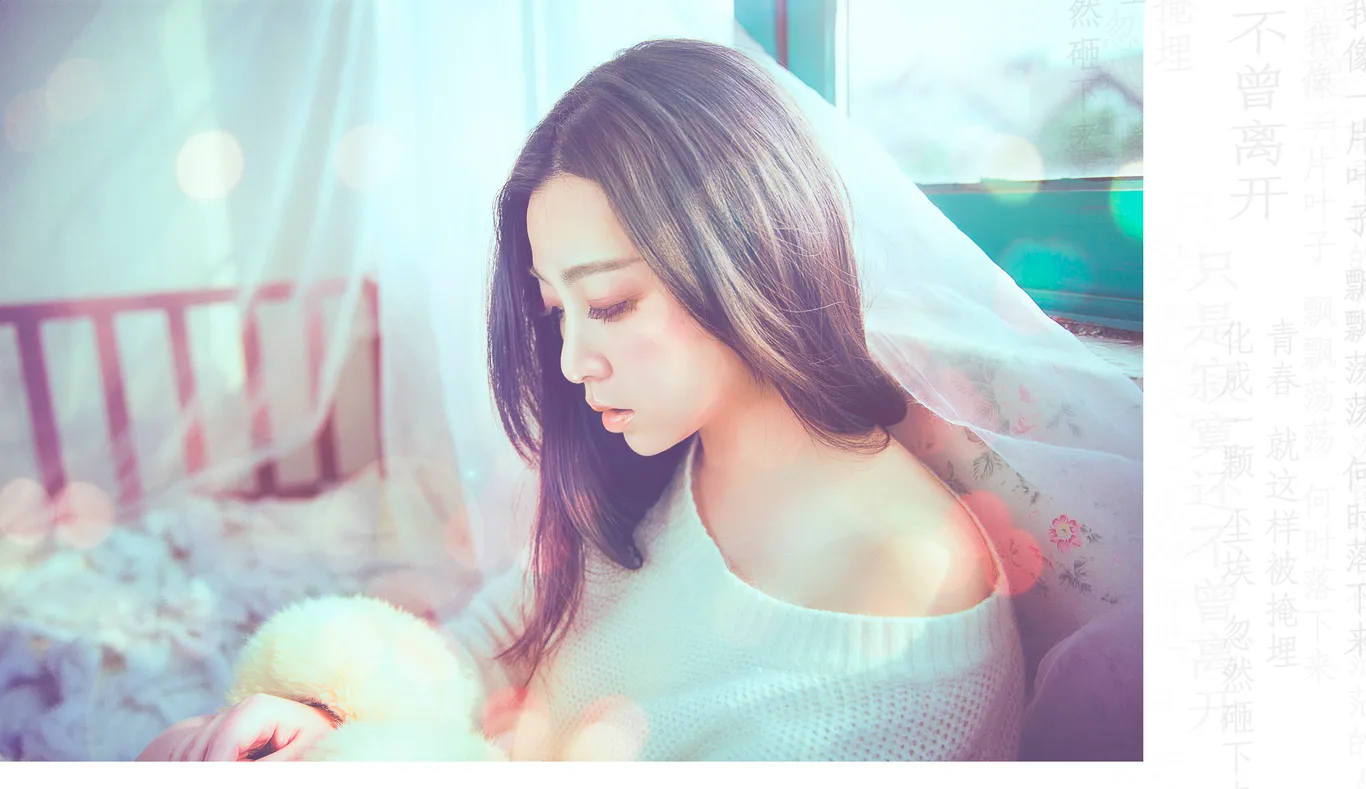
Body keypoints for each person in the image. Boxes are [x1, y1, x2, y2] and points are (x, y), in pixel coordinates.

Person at [137, 37, 1048, 762]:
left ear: (746, 254)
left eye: (609, 304)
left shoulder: (899, 591)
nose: (572, 361)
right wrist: (332, 716)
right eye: (555, 310)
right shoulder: (666, 461)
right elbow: (506, 632)